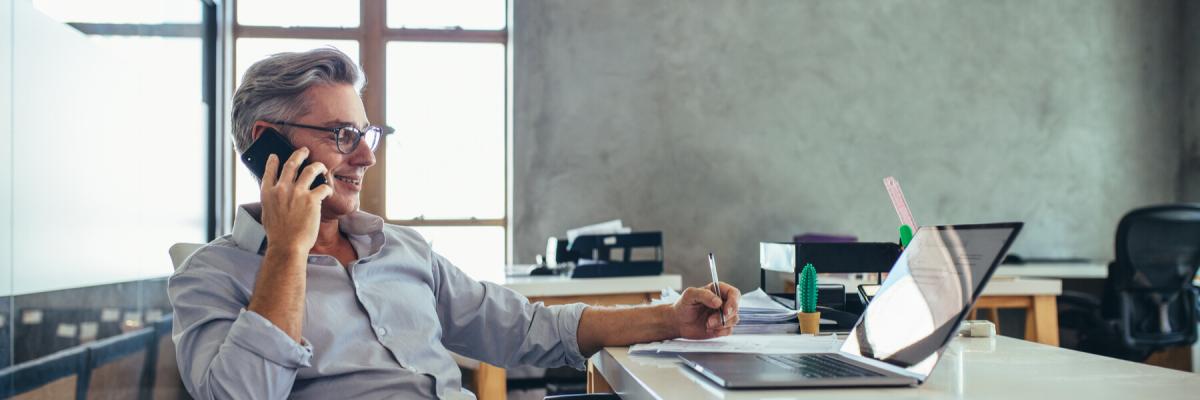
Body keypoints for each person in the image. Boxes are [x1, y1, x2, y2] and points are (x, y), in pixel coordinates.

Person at [168, 47, 741, 400]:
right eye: (342, 136)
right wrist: (288, 251)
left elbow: (529, 329)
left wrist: (672, 318)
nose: (366, 158)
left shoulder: (399, 250)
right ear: (267, 146)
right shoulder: (211, 275)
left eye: (367, 136)